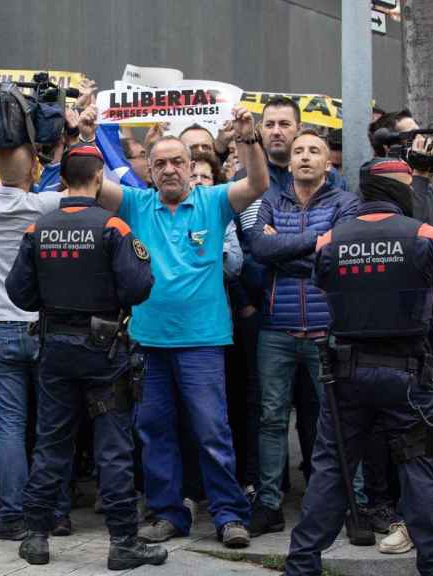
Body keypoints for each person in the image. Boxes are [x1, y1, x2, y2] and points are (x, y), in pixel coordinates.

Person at [97, 105, 268, 549]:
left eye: (178, 162)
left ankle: (230, 515)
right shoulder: (136, 202)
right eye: (160, 163)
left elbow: (258, 184)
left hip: (203, 342)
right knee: (155, 432)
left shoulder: (212, 202)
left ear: (193, 168)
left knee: (212, 431)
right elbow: (90, 183)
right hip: (149, 343)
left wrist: (248, 140)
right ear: (148, 171)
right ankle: (168, 513)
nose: (170, 169)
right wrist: (86, 132)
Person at [284, 158, 433, 576]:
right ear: (396, 191)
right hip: (406, 372)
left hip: (345, 373)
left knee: (331, 467)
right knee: (416, 466)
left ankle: (303, 562)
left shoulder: (330, 240)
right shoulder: (425, 235)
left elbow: (325, 285)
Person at [5, 143, 165, 569]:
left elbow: (18, 292)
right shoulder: (114, 226)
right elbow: (139, 287)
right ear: (99, 179)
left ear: (62, 181)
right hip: (104, 349)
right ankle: (123, 543)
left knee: (51, 443)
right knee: (113, 447)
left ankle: (36, 536)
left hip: (55, 348)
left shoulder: (38, 228)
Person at [246, 130, 360, 537]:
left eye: (314, 151)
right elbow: (259, 249)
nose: (306, 157)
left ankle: (353, 503)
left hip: (328, 330)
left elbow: (336, 255)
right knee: (271, 419)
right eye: (299, 151)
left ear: (328, 163)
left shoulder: (346, 203)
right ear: (289, 162)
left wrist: (287, 250)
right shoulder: (270, 200)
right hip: (277, 329)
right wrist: (313, 244)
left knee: (340, 419)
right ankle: (269, 504)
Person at [0, 143, 65, 540]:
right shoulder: (44, 205)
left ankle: (12, 515)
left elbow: (4, 176)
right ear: (34, 171)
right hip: (41, 326)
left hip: (1, 327)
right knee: (50, 425)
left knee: (8, 426)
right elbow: (69, 184)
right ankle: (54, 513)